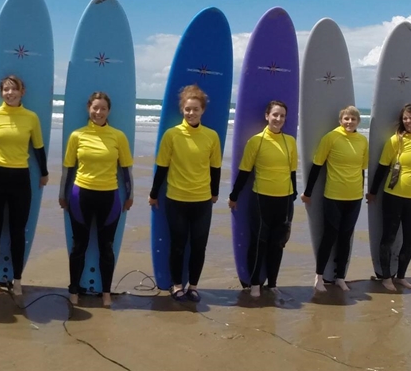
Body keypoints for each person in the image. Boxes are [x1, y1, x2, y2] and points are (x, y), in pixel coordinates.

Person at [0, 75, 48, 300]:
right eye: (6, 89)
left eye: (14, 89)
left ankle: (17, 280)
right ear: (2, 92)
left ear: (22, 92)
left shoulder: (31, 118)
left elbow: (38, 147)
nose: (10, 93)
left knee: (18, 231)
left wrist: (44, 172)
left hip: (20, 179)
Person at [59, 92, 134, 308]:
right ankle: (74, 289)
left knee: (106, 247)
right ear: (88, 108)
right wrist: (62, 194)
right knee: (79, 246)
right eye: (95, 108)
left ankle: (106, 292)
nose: (98, 112)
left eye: (103, 109)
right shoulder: (77, 136)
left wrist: (130, 195)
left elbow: (126, 170)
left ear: (108, 111)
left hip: (110, 197)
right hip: (80, 195)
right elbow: (68, 168)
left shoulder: (118, 136)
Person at [149, 85, 221, 302]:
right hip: (176, 199)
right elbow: (162, 166)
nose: (191, 113)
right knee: (178, 245)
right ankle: (177, 285)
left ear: (203, 111)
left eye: (196, 109)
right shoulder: (172, 135)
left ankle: (194, 286)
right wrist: (153, 194)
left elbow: (215, 167)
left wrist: (214, 193)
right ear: (182, 109)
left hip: (202, 200)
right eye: (188, 109)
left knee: (199, 246)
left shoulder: (211, 136)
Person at [228, 100, 297, 297]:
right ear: (267, 116)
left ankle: (273, 283)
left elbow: (292, 171)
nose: (278, 119)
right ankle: (256, 283)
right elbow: (244, 172)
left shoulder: (290, 141)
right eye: (275, 114)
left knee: (278, 244)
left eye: (282, 116)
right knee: (259, 243)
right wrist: (234, 196)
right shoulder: (256, 141)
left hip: (284, 202)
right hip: (261, 200)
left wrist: (293, 195)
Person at [301, 106, 369, 293]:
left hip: (354, 197)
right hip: (333, 196)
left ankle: (340, 277)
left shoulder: (363, 141)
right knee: (329, 237)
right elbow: (317, 165)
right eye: (346, 119)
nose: (349, 122)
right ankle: (319, 277)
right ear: (341, 120)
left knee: (345, 238)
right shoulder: (331, 137)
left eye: (353, 119)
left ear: (358, 122)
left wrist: (364, 192)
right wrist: (307, 193)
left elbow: (362, 170)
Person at [367, 103, 411, 292]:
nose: (408, 121)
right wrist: (372, 192)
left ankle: (401, 276)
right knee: (389, 238)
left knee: (410, 239)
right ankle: (386, 277)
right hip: (393, 196)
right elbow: (382, 167)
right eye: (405, 118)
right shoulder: (395, 141)